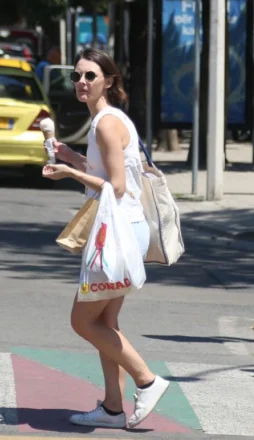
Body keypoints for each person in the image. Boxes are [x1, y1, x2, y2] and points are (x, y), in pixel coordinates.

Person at [41, 48, 169, 428]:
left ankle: (147, 380)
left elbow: (115, 186)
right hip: (120, 230)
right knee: (105, 323)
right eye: (77, 76)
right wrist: (70, 156)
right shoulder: (104, 120)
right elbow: (108, 169)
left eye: (90, 76)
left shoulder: (106, 124)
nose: (82, 82)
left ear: (109, 81)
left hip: (117, 233)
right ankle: (113, 408)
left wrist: (71, 174)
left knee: (83, 321)